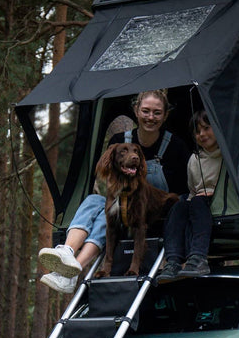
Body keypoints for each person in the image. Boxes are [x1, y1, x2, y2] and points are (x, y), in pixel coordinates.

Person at [38, 90, 191, 293]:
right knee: (96, 201)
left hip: (154, 214)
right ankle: (68, 251)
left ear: (165, 116)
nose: (150, 117)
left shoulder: (176, 146)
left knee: (114, 210)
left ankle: (72, 273)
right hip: (123, 207)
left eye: (157, 112)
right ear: (136, 111)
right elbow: (112, 181)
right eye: (146, 111)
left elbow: (184, 191)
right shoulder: (119, 141)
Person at [158, 110, 222, 279]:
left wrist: (214, 191)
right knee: (179, 205)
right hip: (199, 200)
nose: (202, 134)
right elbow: (193, 189)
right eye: (197, 131)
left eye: (206, 128)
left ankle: (199, 257)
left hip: (221, 199)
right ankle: (172, 261)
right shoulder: (194, 159)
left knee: (198, 202)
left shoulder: (227, 156)